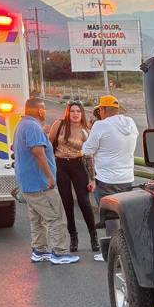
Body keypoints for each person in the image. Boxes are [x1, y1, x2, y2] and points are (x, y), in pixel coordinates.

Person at [13, 97, 79, 265]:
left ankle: (39, 250)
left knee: (36, 218)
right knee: (56, 217)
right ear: (40, 111)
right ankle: (59, 253)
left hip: (28, 184)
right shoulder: (32, 127)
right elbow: (38, 153)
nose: (45, 112)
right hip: (40, 183)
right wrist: (50, 177)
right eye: (44, 109)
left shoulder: (23, 124)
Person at [82, 94, 139, 261]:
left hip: (106, 179)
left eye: (99, 110)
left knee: (110, 217)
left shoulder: (101, 126)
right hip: (127, 177)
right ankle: (127, 252)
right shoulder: (131, 123)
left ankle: (114, 255)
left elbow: (86, 151)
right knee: (123, 215)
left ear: (103, 109)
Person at [47, 101, 100, 256]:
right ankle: (74, 237)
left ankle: (93, 236)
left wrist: (92, 179)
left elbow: (89, 156)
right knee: (67, 202)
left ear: (82, 113)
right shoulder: (60, 124)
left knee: (84, 202)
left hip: (78, 165)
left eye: (78, 111)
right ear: (68, 113)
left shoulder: (86, 131)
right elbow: (49, 145)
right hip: (61, 165)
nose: (75, 113)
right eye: (72, 111)